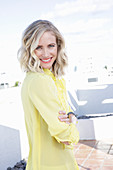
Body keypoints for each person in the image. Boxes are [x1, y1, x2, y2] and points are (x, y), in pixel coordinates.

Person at [18, 19, 79, 170]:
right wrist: (74, 125)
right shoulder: (40, 81)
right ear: (29, 49)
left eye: (51, 46)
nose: (46, 54)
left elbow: (66, 112)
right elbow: (66, 134)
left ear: (58, 46)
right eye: (38, 47)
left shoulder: (52, 78)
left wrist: (70, 116)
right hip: (53, 164)